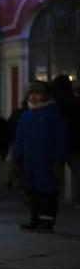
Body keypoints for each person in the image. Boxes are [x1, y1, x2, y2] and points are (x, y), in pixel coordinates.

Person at [12, 81, 70, 232]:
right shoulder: (26, 116)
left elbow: (61, 139)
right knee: (33, 192)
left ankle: (47, 222)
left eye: (37, 93)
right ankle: (35, 220)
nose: (34, 97)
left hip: (46, 161)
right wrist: (16, 159)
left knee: (47, 192)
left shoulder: (52, 114)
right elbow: (19, 139)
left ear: (45, 95)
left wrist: (59, 160)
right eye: (31, 94)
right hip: (30, 162)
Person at [50, 75, 80, 208]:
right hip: (76, 144)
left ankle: (50, 199)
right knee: (77, 172)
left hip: (58, 145)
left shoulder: (54, 106)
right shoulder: (76, 103)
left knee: (52, 174)